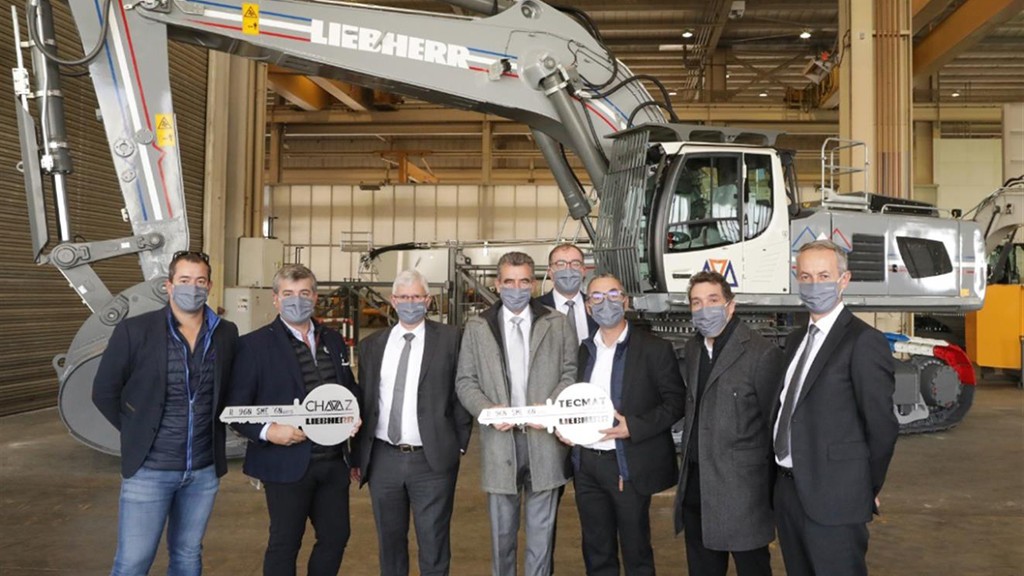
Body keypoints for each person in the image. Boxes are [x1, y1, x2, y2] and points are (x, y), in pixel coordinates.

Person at [92, 250, 239, 576]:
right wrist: (138, 431)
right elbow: (103, 391)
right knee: (133, 562)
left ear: (210, 285)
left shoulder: (226, 333)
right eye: (184, 280)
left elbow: (230, 391)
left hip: (202, 471)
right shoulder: (135, 331)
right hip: (150, 471)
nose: (193, 287)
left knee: (187, 557)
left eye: (200, 281)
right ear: (169, 286)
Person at [772, 239, 899, 576]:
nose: (815, 285)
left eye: (824, 275)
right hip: (788, 491)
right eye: (806, 276)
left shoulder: (862, 341)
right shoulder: (798, 339)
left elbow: (882, 427)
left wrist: (864, 488)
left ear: (844, 280)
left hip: (836, 498)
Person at [226, 263, 361, 576]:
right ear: (275, 299)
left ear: (315, 297)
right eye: (288, 294)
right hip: (285, 463)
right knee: (285, 541)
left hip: (332, 462)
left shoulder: (333, 340)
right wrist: (267, 431)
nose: (296, 300)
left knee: (336, 537)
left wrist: (353, 415)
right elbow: (235, 408)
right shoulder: (253, 346)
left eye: (303, 293)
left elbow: (349, 389)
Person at [456, 251, 577, 576]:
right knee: (502, 536)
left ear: (534, 284)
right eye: (509, 281)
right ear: (497, 284)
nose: (516, 288)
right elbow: (465, 381)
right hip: (500, 442)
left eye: (524, 281)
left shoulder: (556, 323)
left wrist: (550, 407)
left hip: (543, 441)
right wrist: (487, 410)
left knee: (541, 537)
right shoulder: (478, 327)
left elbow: (569, 374)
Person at [564, 273, 686, 576]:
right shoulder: (584, 351)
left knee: (636, 548)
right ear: (589, 308)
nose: (606, 303)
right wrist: (565, 426)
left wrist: (635, 426)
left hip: (626, 464)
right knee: (596, 547)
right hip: (587, 464)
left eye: (613, 294)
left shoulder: (654, 349)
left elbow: (676, 402)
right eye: (597, 297)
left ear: (626, 301)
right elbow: (574, 400)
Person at [355, 269, 473, 576]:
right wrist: (358, 455)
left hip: (432, 460)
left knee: (434, 543)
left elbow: (462, 393)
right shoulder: (372, 346)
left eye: (417, 296)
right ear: (393, 301)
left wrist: (457, 445)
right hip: (383, 459)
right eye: (404, 297)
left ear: (428, 300)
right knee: (390, 544)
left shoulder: (450, 339)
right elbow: (366, 400)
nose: (411, 302)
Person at [674, 271, 784, 576]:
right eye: (696, 302)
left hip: (743, 492)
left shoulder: (761, 353)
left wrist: (772, 493)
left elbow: (774, 425)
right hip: (697, 486)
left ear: (730, 306)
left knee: (753, 567)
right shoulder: (694, 348)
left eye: (712, 300)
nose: (704, 308)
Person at [538, 242, 598, 345]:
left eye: (575, 264)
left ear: (584, 271)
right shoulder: (536, 308)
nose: (568, 269)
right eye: (561, 264)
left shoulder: (597, 306)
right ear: (550, 273)